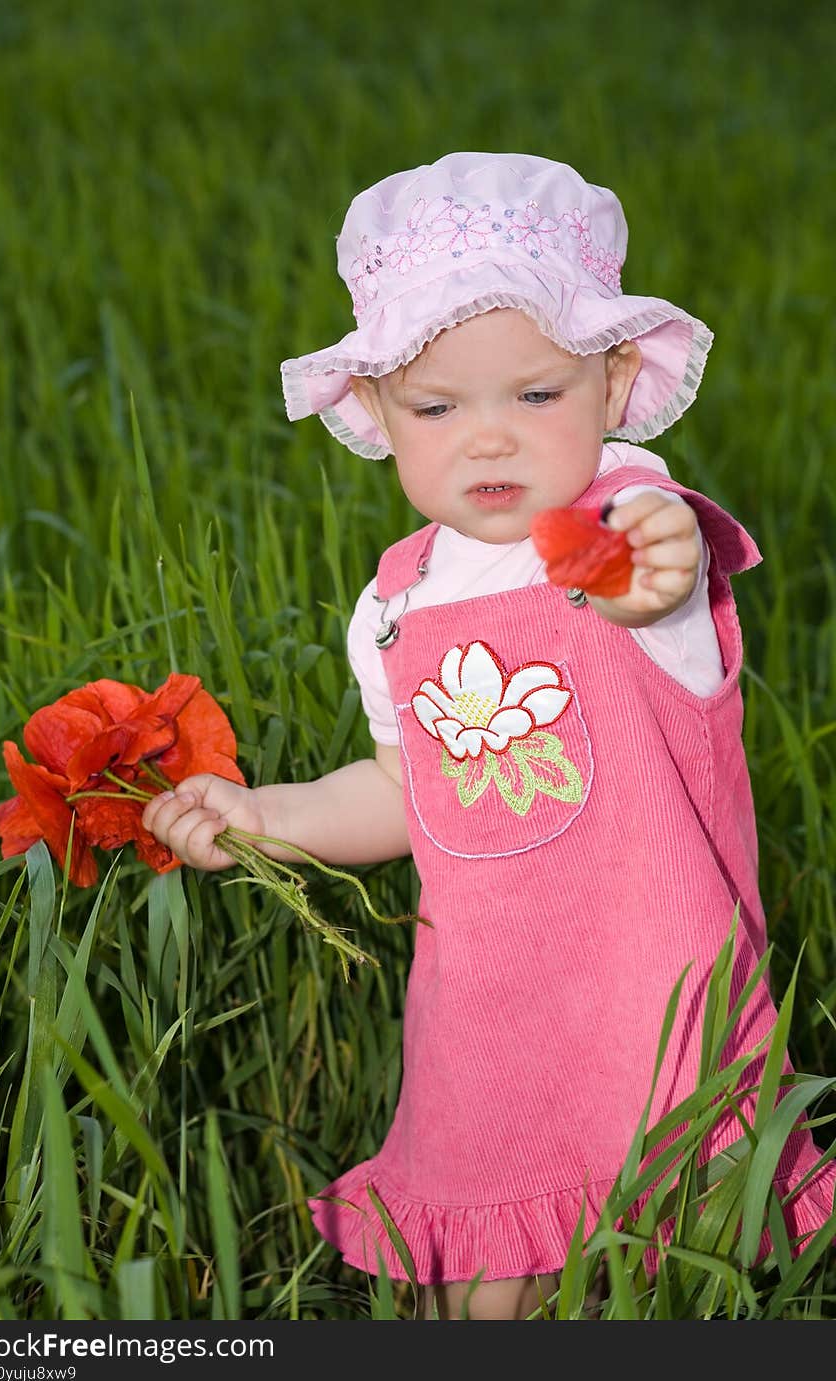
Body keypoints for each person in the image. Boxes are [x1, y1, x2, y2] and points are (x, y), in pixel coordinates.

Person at [142, 152, 835, 1319]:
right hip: (486, 1017)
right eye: (437, 407)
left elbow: (650, 565)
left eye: (534, 395)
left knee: (665, 1262)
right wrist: (268, 816)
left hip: (650, 995)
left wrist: (647, 571)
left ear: (613, 385)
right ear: (373, 412)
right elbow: (406, 787)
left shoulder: (626, 520)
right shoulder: (395, 604)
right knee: (487, 1284)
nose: (490, 440)